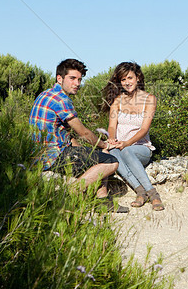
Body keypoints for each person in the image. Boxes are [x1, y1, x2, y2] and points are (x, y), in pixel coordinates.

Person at [29, 58, 128, 213]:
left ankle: (102, 200)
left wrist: (87, 151)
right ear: (59, 78)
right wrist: (104, 144)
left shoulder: (45, 94)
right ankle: (69, 195)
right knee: (111, 161)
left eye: (80, 79)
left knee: (95, 156)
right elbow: (83, 132)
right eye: (72, 78)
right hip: (53, 157)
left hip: (39, 153)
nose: (77, 83)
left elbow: (65, 132)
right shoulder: (61, 100)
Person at [102, 62, 164, 211]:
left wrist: (127, 142)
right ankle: (140, 191)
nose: (127, 82)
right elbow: (112, 126)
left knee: (127, 151)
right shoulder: (117, 101)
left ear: (138, 78)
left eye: (129, 78)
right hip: (120, 146)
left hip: (141, 148)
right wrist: (111, 138)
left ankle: (153, 194)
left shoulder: (149, 99)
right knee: (112, 153)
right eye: (123, 80)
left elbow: (144, 129)